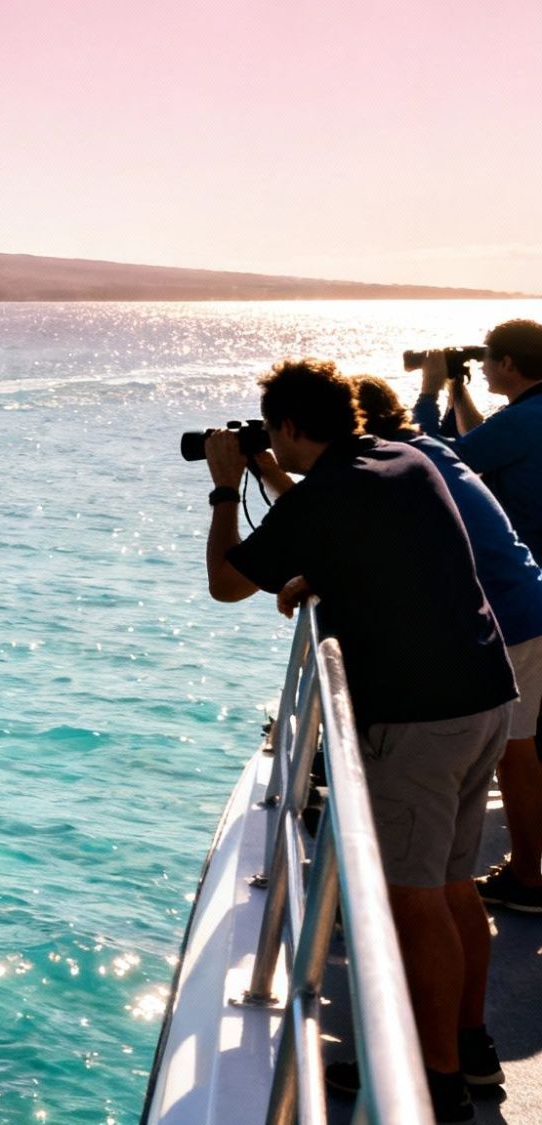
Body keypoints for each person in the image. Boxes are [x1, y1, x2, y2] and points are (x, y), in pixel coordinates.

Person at [203, 359, 515, 1121]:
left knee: (413, 901)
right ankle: (471, 1047)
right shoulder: (400, 458)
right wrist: (319, 565)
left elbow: (227, 581)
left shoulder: (332, 493)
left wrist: (222, 487)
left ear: (285, 426)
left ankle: (436, 1079)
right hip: (484, 694)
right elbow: (375, 543)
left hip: (416, 720)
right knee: (450, 885)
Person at [357, 375, 542, 913]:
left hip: (504, 616)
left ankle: (525, 877)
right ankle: (527, 873)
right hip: (526, 599)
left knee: (509, 749)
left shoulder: (392, 466)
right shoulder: (427, 447)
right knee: (518, 747)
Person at [415, 319, 542, 552]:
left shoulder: (521, 419)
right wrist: (456, 385)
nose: (481, 367)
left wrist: (429, 392)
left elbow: (436, 458)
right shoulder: (531, 409)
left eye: (485, 358)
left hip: (526, 561)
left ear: (506, 363)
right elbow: (480, 440)